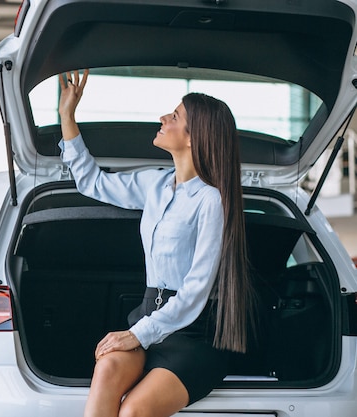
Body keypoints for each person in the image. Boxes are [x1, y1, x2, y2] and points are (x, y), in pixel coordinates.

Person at [57, 69, 254, 417]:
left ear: (194, 138)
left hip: (194, 333)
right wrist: (67, 117)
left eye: (174, 116)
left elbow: (195, 291)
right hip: (147, 313)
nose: (163, 118)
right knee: (106, 367)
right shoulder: (156, 185)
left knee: (134, 411)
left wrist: (138, 334)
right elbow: (92, 183)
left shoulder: (211, 201)